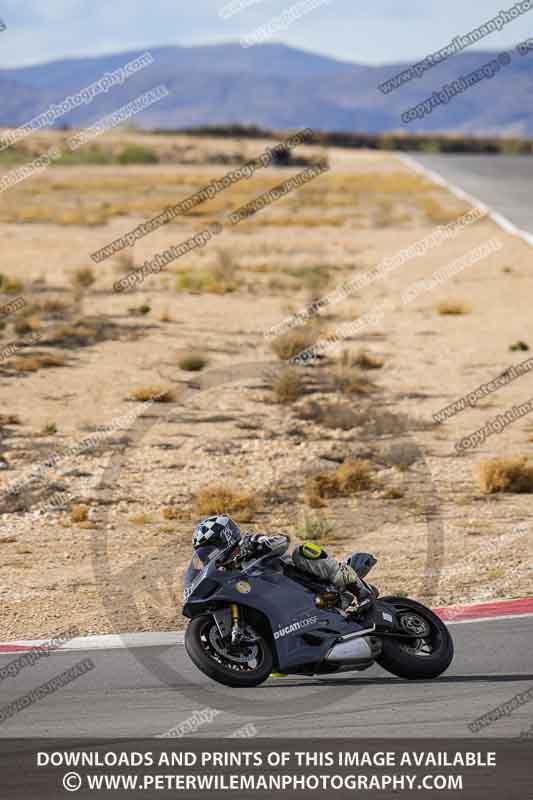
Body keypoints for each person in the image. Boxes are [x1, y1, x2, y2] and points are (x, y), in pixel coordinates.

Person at [192, 515, 374, 613]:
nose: (210, 554)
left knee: (303, 552)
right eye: (205, 552)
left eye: (211, 547)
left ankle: (361, 590)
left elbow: (282, 540)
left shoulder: (250, 542)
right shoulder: (226, 572)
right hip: (286, 606)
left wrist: (257, 546)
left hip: (302, 582)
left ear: (225, 536)